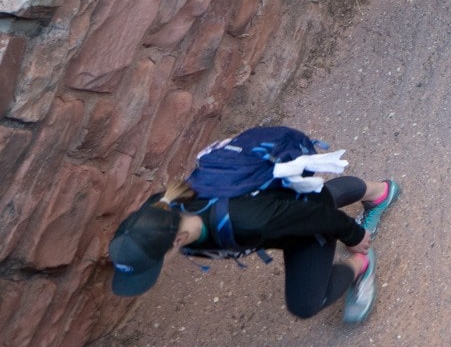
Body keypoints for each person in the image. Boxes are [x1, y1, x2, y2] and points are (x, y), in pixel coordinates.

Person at [108, 125, 400, 326]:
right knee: (309, 202)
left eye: (156, 261)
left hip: (297, 217)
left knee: (306, 303)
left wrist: (354, 235)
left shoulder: (249, 222)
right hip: (280, 205)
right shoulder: (162, 206)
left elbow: (318, 218)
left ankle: (361, 265)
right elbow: (284, 213)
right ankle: (379, 193)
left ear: (177, 240)